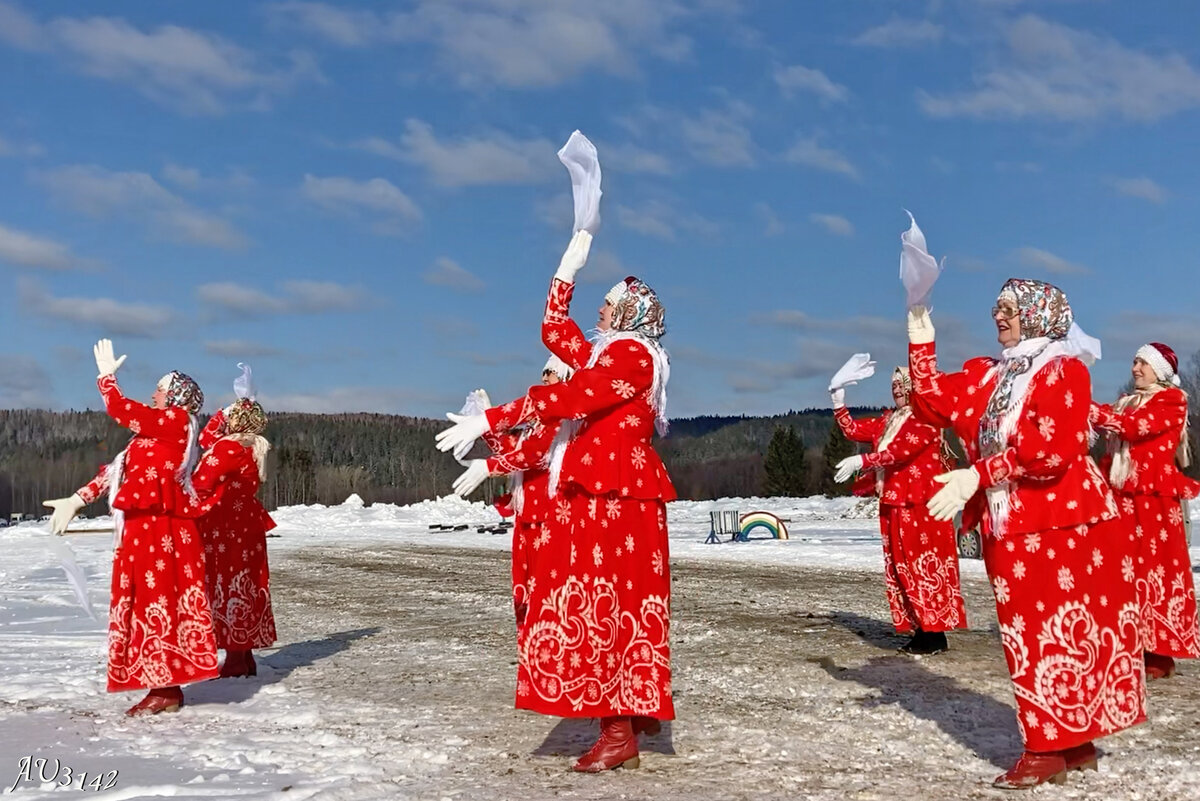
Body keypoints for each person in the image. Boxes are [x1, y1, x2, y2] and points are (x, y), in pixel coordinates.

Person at [437, 230, 674, 773]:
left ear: (631, 315)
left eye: (609, 302)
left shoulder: (633, 355)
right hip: (605, 486)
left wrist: (492, 420)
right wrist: (567, 269)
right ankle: (632, 710)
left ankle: (618, 729)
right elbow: (553, 334)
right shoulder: (609, 351)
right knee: (616, 597)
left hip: (611, 490)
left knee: (603, 598)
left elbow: (572, 395)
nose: (602, 308)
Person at [906, 280, 1144, 789]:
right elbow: (931, 402)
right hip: (1012, 525)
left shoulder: (1064, 369)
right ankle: (1070, 743)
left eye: (1010, 308)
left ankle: (1049, 747)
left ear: (1038, 314)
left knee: (1056, 633)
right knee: (1032, 634)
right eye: (996, 307)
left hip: (1067, 523)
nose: (999, 315)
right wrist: (920, 336)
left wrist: (980, 473)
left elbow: (1056, 447)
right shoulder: (991, 374)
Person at [43, 339, 218, 715]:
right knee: (145, 603)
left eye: (159, 389)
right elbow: (113, 474)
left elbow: (121, 409)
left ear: (176, 397)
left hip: (161, 532)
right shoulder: (150, 437)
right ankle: (162, 683)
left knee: (157, 602)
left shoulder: (175, 423)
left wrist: (107, 380)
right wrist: (76, 499)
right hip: (143, 533)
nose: (153, 394)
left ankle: (166, 688)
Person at [831, 366, 966, 654]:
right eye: (894, 384)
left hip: (922, 503)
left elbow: (902, 451)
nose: (897, 389)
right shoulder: (888, 421)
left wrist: (864, 462)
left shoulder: (926, 419)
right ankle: (921, 628)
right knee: (900, 567)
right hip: (894, 500)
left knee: (923, 565)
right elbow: (853, 430)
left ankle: (933, 631)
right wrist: (837, 398)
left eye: (903, 383)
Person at [1093, 342, 1200, 680]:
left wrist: (1089, 409)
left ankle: (1159, 651)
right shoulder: (1126, 403)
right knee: (1120, 568)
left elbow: (1135, 428)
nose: (1135, 368)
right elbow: (1112, 437)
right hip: (1122, 495)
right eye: (1134, 362)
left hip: (1153, 499)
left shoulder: (1172, 401)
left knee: (1156, 569)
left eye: (1143, 363)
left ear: (1161, 371)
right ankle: (1126, 641)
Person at [190, 390, 277, 679]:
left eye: (228, 418)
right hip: (245, 525)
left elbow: (201, 482)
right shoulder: (251, 446)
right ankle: (244, 654)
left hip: (227, 527)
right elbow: (204, 441)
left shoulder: (228, 449)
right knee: (245, 585)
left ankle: (236, 659)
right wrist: (223, 414)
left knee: (228, 585)